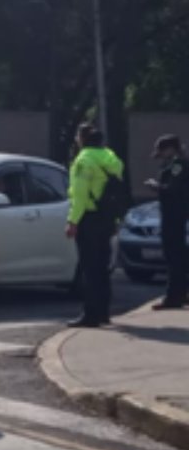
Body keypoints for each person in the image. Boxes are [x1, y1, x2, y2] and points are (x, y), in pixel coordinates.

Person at [66, 123, 125, 328]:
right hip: (107, 219)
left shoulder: (83, 160)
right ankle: (103, 312)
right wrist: (116, 221)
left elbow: (80, 195)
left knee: (89, 268)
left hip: (89, 218)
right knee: (102, 267)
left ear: (82, 139)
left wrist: (73, 221)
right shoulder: (112, 159)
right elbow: (115, 195)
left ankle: (90, 315)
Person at [146, 135, 188, 310]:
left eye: (162, 151)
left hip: (175, 215)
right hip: (173, 214)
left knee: (173, 256)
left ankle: (173, 297)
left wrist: (155, 186)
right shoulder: (174, 164)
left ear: (171, 148)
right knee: (177, 256)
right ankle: (181, 292)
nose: (161, 155)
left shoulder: (178, 164)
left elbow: (173, 189)